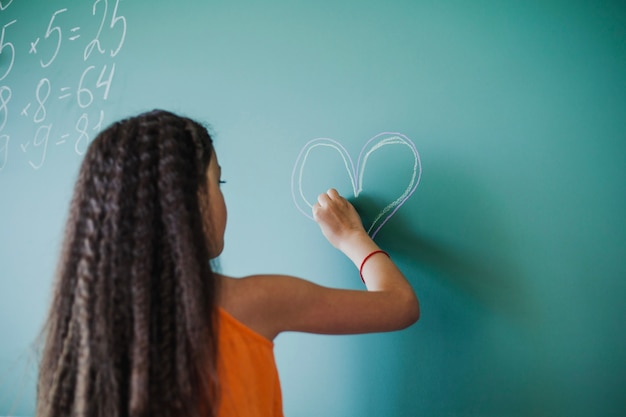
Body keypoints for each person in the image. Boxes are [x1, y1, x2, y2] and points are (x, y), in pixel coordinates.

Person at [36, 110, 419, 417]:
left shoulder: (81, 336)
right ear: (187, 200)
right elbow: (400, 304)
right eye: (218, 183)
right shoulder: (251, 302)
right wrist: (352, 238)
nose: (222, 197)